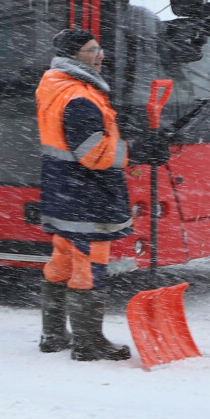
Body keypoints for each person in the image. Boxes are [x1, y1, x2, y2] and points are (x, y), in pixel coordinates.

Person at [36, 28, 137, 361]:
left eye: (99, 48)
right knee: (90, 265)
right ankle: (88, 343)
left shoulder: (54, 85)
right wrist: (134, 150)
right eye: (92, 50)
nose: (100, 54)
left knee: (61, 261)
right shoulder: (79, 96)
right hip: (86, 195)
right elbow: (92, 154)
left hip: (61, 190)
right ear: (73, 57)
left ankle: (52, 335)